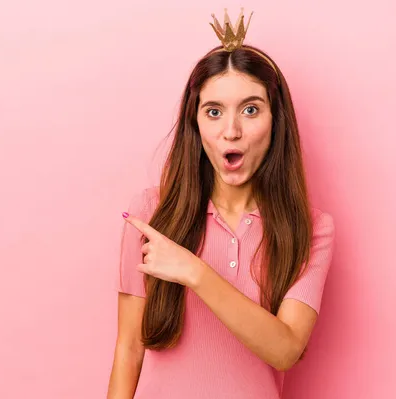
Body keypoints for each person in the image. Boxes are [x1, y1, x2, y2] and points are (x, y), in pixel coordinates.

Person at [107, 8, 336, 399]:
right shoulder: (151, 214)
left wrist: (195, 271)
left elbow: (285, 350)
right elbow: (129, 351)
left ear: (275, 120)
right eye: (213, 112)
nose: (231, 131)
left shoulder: (311, 229)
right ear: (196, 124)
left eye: (250, 110)